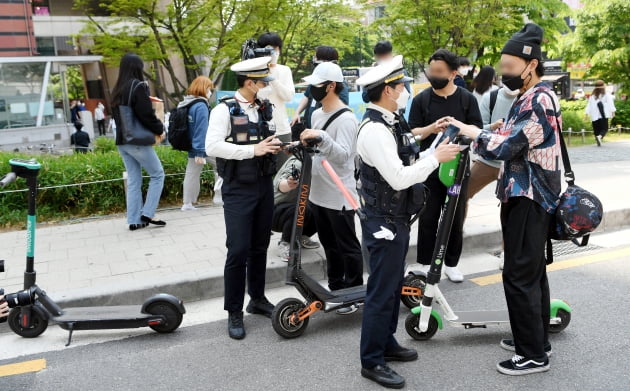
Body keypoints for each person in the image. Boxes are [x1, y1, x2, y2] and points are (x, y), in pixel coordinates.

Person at [451, 23, 561, 376]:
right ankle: (535, 339)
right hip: (522, 193)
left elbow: (511, 146)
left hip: (530, 196)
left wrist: (476, 132)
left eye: (510, 68)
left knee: (518, 275)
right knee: (530, 272)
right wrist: (498, 130)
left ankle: (532, 355)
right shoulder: (527, 97)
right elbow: (516, 137)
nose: (505, 74)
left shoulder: (539, 99)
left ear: (531, 65)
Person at [355, 55, 460, 389]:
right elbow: (399, 178)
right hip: (384, 222)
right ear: (387, 90)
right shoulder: (374, 130)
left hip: (396, 219)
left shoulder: (389, 120)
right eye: (400, 86)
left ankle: (386, 343)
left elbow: (407, 141)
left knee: (390, 287)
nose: (404, 90)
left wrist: (431, 134)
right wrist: (435, 157)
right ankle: (371, 361)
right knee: (381, 292)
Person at [205, 56, 283, 340]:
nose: (265, 86)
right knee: (238, 250)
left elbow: (266, 139)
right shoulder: (224, 110)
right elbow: (211, 146)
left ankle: (258, 298)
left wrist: (274, 147)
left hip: (263, 184)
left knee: (260, 246)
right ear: (249, 83)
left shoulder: (264, 108)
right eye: (262, 82)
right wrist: (253, 150)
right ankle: (234, 310)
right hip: (238, 188)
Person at [408, 48, 483, 282]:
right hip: (429, 166)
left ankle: (451, 263)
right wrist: (432, 128)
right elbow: (412, 133)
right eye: (431, 70)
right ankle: (424, 262)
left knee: (454, 216)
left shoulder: (466, 98)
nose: (433, 75)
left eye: (439, 71)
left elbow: (477, 131)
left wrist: (458, 128)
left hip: (458, 168)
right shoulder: (421, 99)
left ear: (452, 74)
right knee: (428, 215)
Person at [299, 62, 363, 311]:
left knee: (347, 245)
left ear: (331, 86)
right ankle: (336, 289)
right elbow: (317, 151)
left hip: (340, 194)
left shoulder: (347, 119)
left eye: (316, 86)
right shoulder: (316, 114)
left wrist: (322, 139)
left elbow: (345, 156)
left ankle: (354, 291)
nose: (312, 90)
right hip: (318, 192)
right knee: (329, 243)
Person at [111, 53, 167, 231]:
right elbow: (146, 115)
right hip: (136, 141)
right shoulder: (138, 86)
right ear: (137, 67)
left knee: (134, 180)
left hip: (122, 141)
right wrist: (160, 129)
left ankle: (134, 220)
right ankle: (148, 213)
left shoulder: (117, 89)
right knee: (157, 174)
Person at [272, 127, 319, 260]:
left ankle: (302, 236)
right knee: (299, 209)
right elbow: (280, 184)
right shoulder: (298, 162)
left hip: (297, 206)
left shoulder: (314, 162)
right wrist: (289, 183)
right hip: (275, 212)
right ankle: (285, 243)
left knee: (320, 207)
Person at [257, 32, 296, 167]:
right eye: (268, 49)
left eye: (276, 48)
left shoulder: (284, 70)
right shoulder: (253, 70)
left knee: (284, 171)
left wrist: (273, 79)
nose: (273, 52)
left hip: (281, 129)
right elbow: (256, 96)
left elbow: (289, 96)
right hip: (258, 128)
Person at [290, 46, 349, 128]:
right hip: (310, 126)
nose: (314, 59)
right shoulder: (315, 80)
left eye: (316, 57)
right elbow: (307, 96)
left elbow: (341, 107)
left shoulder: (340, 83)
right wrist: (297, 113)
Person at [180, 76, 213, 211]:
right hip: (202, 147)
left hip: (192, 145)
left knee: (192, 173)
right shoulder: (201, 106)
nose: (211, 92)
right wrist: (200, 151)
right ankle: (220, 196)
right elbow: (201, 129)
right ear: (203, 88)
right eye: (209, 89)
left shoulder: (189, 102)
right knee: (224, 165)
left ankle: (188, 203)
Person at [585, 80, 616, 146]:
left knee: (596, 129)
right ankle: (599, 137)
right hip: (603, 115)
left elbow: (589, 105)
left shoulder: (592, 96)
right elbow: (611, 103)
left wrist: (586, 114)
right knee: (604, 128)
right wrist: (613, 112)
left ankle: (598, 139)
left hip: (594, 115)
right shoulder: (606, 94)